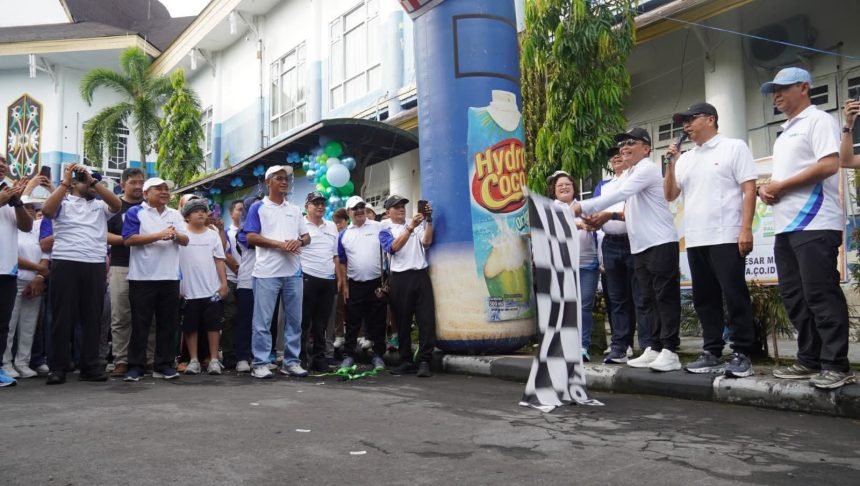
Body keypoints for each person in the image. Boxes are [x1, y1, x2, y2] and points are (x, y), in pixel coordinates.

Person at [758, 68, 854, 389]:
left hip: (815, 223)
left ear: (804, 87)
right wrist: (770, 191)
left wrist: (782, 185)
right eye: (774, 91)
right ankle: (809, 359)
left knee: (819, 292)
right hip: (787, 227)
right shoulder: (786, 131)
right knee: (794, 296)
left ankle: (836, 364)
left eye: (783, 89)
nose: (777, 96)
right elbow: (789, 179)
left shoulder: (818, 120)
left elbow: (829, 164)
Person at [572, 128, 682, 372]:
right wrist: (599, 218)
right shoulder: (628, 174)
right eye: (622, 143)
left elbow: (620, 194)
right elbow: (619, 204)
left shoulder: (646, 168)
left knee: (664, 298)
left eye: (631, 142)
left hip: (660, 242)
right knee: (647, 299)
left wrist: (578, 207)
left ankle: (670, 350)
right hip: (640, 245)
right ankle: (653, 347)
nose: (624, 147)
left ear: (646, 147)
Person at [663, 102, 758, 378]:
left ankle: (742, 353)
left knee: (734, 294)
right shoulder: (688, 158)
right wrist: (671, 163)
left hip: (727, 235)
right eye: (684, 122)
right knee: (705, 298)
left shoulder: (734, 147)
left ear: (711, 120)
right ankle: (712, 351)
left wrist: (746, 228)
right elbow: (670, 194)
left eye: (691, 120)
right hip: (696, 238)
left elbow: (749, 190)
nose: (686, 126)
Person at [41, 163, 121, 384]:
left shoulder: (100, 205)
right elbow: (47, 211)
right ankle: (58, 367)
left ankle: (90, 366)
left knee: (92, 318)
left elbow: (117, 204)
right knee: (61, 318)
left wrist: (94, 182)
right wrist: (66, 181)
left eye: (94, 180)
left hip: (94, 263)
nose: (92, 183)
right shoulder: (63, 201)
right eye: (86, 180)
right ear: (75, 183)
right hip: (65, 261)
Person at [243, 166, 310, 379]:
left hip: (293, 271)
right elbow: (250, 237)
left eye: (286, 179)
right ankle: (260, 363)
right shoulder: (258, 208)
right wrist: (279, 244)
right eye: (279, 179)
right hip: (266, 273)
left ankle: (291, 362)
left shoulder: (295, 209)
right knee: (262, 321)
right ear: (268, 183)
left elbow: (307, 236)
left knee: (294, 320)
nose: (284, 182)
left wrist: (298, 241)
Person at [122, 177, 189, 381]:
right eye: (158, 189)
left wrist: (175, 235)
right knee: (140, 323)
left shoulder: (175, 214)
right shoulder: (135, 212)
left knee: (167, 323)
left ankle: (164, 365)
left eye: (166, 189)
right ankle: (135, 366)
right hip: (142, 277)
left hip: (169, 276)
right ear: (145, 194)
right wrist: (159, 235)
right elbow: (129, 239)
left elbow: (186, 239)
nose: (164, 192)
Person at [589, 148, 650, 364]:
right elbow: (595, 218)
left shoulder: (636, 179)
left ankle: (647, 347)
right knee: (616, 299)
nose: (616, 156)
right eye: (612, 154)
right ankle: (620, 347)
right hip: (610, 244)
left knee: (641, 297)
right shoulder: (604, 186)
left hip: (634, 240)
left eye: (620, 153)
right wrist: (600, 256)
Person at [379, 195, 436, 377]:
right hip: (400, 278)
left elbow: (426, 242)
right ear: (388, 212)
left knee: (426, 319)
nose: (401, 208)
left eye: (403, 205)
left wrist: (428, 220)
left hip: (420, 274)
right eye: (396, 206)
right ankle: (406, 360)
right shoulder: (385, 228)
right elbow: (393, 248)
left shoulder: (415, 223)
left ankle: (425, 360)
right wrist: (410, 228)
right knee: (402, 322)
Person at [546, 171, 599, 361]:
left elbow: (598, 232)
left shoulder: (584, 206)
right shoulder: (551, 208)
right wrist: (578, 225)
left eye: (567, 184)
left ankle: (583, 346)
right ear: (554, 190)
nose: (564, 187)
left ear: (574, 187)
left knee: (584, 306)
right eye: (560, 185)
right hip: (563, 266)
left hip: (588, 264)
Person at [105, 167, 148, 378]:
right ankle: (120, 360)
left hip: (150, 268)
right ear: (123, 185)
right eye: (133, 182)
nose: (138, 186)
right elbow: (103, 234)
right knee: (121, 316)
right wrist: (131, 239)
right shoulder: (114, 207)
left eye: (141, 182)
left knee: (148, 317)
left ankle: (148, 359)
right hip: (121, 265)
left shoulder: (150, 207)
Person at [337, 196, 387, 371]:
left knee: (377, 321)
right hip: (355, 284)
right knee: (352, 322)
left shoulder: (379, 227)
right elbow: (342, 262)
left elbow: (391, 247)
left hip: (376, 284)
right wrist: (345, 285)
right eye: (355, 208)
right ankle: (349, 355)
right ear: (349, 212)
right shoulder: (344, 234)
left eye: (361, 207)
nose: (359, 211)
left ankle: (378, 355)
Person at [179, 199, 229, 375]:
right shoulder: (181, 235)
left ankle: (214, 359)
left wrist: (223, 284)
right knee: (190, 327)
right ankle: (193, 360)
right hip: (189, 290)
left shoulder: (212, 234)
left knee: (213, 326)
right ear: (186, 217)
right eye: (195, 211)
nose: (201, 213)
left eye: (203, 210)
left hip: (211, 289)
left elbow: (219, 260)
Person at [2, 196, 48, 379]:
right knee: (9, 326)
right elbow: (11, 255)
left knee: (29, 326)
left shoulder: (36, 231)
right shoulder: (10, 229)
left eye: (32, 207)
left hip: (35, 283)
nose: (29, 210)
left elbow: (46, 254)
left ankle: (23, 362)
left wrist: (39, 275)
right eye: (26, 206)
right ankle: (6, 362)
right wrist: (38, 268)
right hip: (15, 280)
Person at [297, 191, 339, 372]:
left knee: (321, 323)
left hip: (328, 280)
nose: (320, 206)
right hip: (306, 277)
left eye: (322, 203)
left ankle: (319, 358)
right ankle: (301, 358)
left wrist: (338, 279)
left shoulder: (331, 226)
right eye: (316, 203)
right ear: (307, 206)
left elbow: (335, 256)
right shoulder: (299, 224)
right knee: (304, 322)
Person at [0, 156, 32, 387]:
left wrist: (17, 202)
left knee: (3, 323)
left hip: (6, 269)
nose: (3, 165)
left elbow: (27, 226)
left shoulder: (9, 195)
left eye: (4, 162)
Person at [234, 195, 261, 373]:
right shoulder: (243, 233)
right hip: (247, 282)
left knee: (262, 322)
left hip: (267, 280)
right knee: (245, 321)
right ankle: (242, 357)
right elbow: (256, 243)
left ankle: (259, 356)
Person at [220, 199, 244, 369]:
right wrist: (239, 270)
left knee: (245, 319)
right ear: (231, 213)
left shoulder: (253, 230)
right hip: (231, 280)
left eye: (245, 210)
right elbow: (224, 253)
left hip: (250, 281)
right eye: (239, 210)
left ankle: (243, 352)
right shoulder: (227, 233)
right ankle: (228, 354)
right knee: (230, 317)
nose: (242, 213)